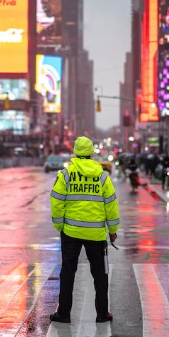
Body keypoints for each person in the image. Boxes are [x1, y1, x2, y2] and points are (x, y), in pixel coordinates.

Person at [49, 136, 120, 324]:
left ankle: (64, 313)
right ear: (91, 153)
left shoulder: (66, 174)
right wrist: (112, 230)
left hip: (70, 233)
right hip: (96, 234)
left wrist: (60, 226)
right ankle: (102, 314)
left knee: (67, 273)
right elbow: (111, 204)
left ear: (75, 152)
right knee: (100, 275)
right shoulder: (102, 175)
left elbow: (56, 201)